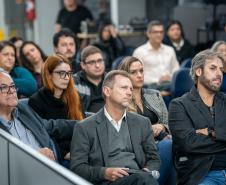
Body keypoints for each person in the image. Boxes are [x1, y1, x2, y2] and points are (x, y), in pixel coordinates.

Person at [70, 70, 160, 185]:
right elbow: (77, 168)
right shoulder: (85, 127)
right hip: (107, 182)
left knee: (144, 179)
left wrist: (147, 170)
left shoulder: (142, 123)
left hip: (138, 177)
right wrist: (104, 172)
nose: (129, 93)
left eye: (131, 89)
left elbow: (154, 158)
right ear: (107, 91)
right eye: (123, 88)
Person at [169, 50, 226, 185]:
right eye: (212, 68)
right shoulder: (179, 105)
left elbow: (196, 142)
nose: (219, 74)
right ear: (198, 72)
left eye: (221, 69)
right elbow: (188, 144)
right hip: (203, 174)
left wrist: (210, 133)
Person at [118, 56, 176, 185]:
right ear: (124, 76)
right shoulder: (121, 99)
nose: (139, 75)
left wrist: (161, 126)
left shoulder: (154, 94)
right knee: (169, 146)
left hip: (160, 140)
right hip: (139, 148)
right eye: (134, 72)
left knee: (172, 145)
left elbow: (169, 123)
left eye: (141, 71)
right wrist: (150, 129)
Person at [0, 69, 76, 162]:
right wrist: (34, 156)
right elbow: (6, 163)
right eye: (4, 87)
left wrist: (84, 124)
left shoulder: (24, 107)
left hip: (57, 162)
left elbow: (51, 126)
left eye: (12, 86)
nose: (11, 90)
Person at [28, 54, 84, 159]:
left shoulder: (74, 96)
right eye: (61, 73)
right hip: (57, 155)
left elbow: (84, 126)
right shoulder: (36, 101)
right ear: (49, 74)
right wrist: (63, 154)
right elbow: (41, 136)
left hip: (80, 150)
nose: (67, 78)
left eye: (69, 73)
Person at [133, 20, 179, 93]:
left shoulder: (170, 50)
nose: (159, 34)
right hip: (150, 87)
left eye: (161, 32)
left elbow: (176, 70)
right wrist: (158, 80)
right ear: (148, 34)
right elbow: (136, 75)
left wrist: (170, 77)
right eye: (156, 32)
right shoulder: (139, 52)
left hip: (169, 84)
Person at [73, 45, 105, 113]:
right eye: (92, 62)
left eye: (100, 61)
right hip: (85, 121)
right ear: (83, 65)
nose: (97, 65)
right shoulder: (74, 82)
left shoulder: (112, 80)